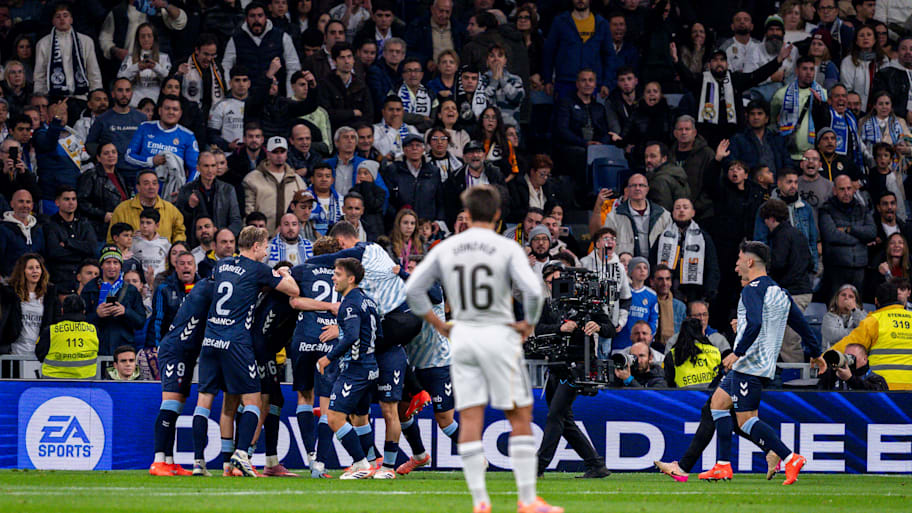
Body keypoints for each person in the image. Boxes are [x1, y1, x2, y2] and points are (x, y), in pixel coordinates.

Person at [405, 185, 561, 513]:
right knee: (519, 415)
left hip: (464, 337)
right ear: (497, 214)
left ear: (467, 213)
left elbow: (414, 289)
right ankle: (527, 500)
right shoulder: (506, 247)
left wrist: (438, 323)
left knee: (471, 417)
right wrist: (528, 324)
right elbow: (534, 293)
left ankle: (480, 501)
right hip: (499, 335)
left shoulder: (448, 248)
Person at [700, 241, 823, 484]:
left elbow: (755, 323)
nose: (736, 266)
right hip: (760, 364)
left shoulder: (751, 290)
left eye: (738, 260)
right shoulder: (780, 292)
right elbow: (800, 324)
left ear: (749, 261)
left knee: (746, 421)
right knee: (718, 403)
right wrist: (815, 352)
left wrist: (737, 352)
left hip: (750, 364)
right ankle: (722, 465)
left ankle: (790, 457)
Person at [193, 226, 299, 476]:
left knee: (204, 402)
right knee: (253, 400)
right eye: (265, 247)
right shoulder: (258, 269)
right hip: (236, 342)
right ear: (255, 246)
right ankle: (241, 454)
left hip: (211, 340)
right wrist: (283, 272)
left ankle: (199, 463)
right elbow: (293, 291)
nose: (267, 252)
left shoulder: (221, 265)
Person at [534, 262, 614, 479]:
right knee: (564, 420)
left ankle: (538, 466)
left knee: (555, 415)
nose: (554, 286)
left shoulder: (587, 303)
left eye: (557, 280)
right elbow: (538, 330)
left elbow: (610, 328)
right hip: (555, 366)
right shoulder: (549, 305)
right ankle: (596, 465)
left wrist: (598, 326)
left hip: (578, 366)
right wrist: (559, 328)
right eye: (549, 282)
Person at [314, 257, 383, 479]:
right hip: (369, 367)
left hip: (355, 369)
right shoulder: (369, 302)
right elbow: (379, 336)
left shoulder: (349, 304)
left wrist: (328, 358)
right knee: (360, 417)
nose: (333, 278)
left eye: (338, 274)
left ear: (351, 279)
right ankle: (371, 463)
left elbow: (352, 336)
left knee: (334, 417)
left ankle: (361, 464)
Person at [671, 41, 793, 148]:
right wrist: (676, 61)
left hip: (733, 137)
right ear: (709, 65)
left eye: (722, 60)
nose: (719, 63)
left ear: (727, 64)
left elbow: (757, 75)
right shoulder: (701, 80)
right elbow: (687, 77)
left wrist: (778, 60)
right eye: (715, 60)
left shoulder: (735, 79)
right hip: (706, 138)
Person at [149, 278, 213, 476]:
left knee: (176, 408)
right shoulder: (208, 288)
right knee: (170, 405)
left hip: (186, 353)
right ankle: (158, 460)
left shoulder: (205, 286)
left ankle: (169, 461)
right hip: (175, 350)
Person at [760, 199, 814, 362]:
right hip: (803, 290)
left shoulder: (781, 236)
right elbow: (811, 262)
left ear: (771, 218)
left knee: (788, 341)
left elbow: (778, 263)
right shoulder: (798, 234)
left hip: (793, 293)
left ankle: (796, 376)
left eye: (765, 220)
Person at [830, 282, 912, 390]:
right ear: (898, 298)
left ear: (876, 301)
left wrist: (822, 358)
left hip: (883, 389)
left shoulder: (873, 321)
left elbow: (847, 346)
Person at [222, 1, 301, 97]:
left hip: (274, 95)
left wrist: (290, 95)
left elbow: (293, 67)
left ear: (266, 17)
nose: (256, 20)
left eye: (260, 15)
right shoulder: (236, 39)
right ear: (246, 19)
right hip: (246, 97)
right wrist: (229, 91)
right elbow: (226, 66)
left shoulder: (282, 37)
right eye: (252, 16)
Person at [33, 3, 103, 108]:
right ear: (53, 21)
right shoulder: (43, 43)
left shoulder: (86, 41)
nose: (62, 19)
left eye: (65, 15)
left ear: (71, 19)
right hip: (54, 98)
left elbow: (93, 72)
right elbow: (39, 75)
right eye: (58, 16)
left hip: (81, 97)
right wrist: (41, 100)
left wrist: (96, 95)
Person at [541, 0, 614, 100]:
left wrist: (607, 83)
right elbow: (549, 52)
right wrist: (547, 79)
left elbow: (609, 56)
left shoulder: (602, 23)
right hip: (565, 82)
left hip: (592, 83)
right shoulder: (560, 21)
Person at [651, 197, 719, 303]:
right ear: (673, 213)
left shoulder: (703, 238)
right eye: (677, 208)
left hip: (695, 292)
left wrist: (708, 292)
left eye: (685, 208)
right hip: (667, 290)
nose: (681, 210)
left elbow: (712, 266)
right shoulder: (663, 237)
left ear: (693, 213)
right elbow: (652, 262)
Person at [753, 168, 819, 277]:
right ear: (779, 183)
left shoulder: (805, 208)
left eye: (796, 182)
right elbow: (760, 241)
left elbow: (812, 240)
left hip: (803, 269)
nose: (793, 186)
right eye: (789, 182)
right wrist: (766, 269)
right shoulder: (767, 208)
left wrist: (814, 267)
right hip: (778, 270)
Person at [819, 174, 877, 299]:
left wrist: (849, 230)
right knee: (836, 305)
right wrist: (860, 240)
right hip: (836, 268)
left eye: (849, 188)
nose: (846, 193)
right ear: (835, 190)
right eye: (842, 189)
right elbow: (831, 235)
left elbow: (872, 232)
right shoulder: (826, 209)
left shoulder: (862, 209)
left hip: (860, 267)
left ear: (853, 189)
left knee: (857, 305)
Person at [81, 246, 146, 355]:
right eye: (108, 262)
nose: (112, 266)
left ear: (121, 266)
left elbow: (141, 322)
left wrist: (125, 312)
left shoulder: (131, 290)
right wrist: (97, 315)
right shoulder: (90, 288)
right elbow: (80, 321)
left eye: (115, 262)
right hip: (96, 348)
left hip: (123, 349)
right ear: (101, 265)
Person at [85, 79, 147, 190]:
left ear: (131, 93)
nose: (124, 94)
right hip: (113, 174)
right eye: (120, 90)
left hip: (138, 172)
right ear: (113, 94)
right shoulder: (102, 119)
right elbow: (90, 144)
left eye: (127, 90)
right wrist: (104, 159)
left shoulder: (142, 118)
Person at [595, 173, 673, 258]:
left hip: (657, 265)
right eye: (633, 185)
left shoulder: (663, 215)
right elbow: (607, 246)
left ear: (647, 189)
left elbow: (671, 244)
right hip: (625, 264)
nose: (637, 188)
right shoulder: (613, 216)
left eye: (641, 185)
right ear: (628, 190)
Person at [125, 95, 200, 182]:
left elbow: (196, 168)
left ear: (180, 113)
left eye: (175, 109)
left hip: (172, 188)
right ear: (160, 111)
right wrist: (151, 161)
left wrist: (187, 188)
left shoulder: (188, 135)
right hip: (144, 186)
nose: (171, 112)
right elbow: (128, 156)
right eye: (167, 108)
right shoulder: (145, 127)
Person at [243, 136, 307, 233]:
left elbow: (303, 211)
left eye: (282, 152)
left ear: (286, 154)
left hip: (290, 236)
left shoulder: (297, 180)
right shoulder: (252, 179)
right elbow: (249, 213)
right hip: (262, 235)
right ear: (268, 154)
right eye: (275, 152)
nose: (279, 155)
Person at [772, 56, 829, 162]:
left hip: (814, 155)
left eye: (811, 69)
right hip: (788, 154)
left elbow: (826, 123)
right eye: (804, 69)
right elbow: (772, 119)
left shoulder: (823, 94)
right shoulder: (781, 94)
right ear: (797, 71)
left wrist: (821, 106)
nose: (809, 73)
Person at [1, 254, 57, 360]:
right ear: (22, 271)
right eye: (30, 268)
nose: (35, 271)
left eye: (38, 267)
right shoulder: (10, 293)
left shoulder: (50, 294)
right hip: (15, 351)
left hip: (40, 353)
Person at [44, 186, 97, 287]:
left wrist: (68, 243)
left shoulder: (84, 223)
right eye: (66, 199)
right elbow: (54, 253)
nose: (71, 202)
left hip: (83, 279)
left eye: (74, 199)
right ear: (57, 202)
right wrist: (81, 251)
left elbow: (92, 248)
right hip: (60, 278)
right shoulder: (50, 225)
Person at [385, 134, 445, 222]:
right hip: (401, 223)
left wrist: (438, 221)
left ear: (423, 149)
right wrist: (397, 219)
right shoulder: (393, 170)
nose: (414, 148)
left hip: (426, 223)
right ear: (404, 150)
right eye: (410, 145)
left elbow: (440, 200)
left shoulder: (433, 171)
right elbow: (387, 199)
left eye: (418, 145)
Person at [33, 294, 95, 379]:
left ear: (62, 311)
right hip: (85, 383)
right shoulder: (93, 331)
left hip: (53, 382)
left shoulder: (50, 331)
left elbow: (39, 354)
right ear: (84, 311)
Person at [318, 42, 374, 134]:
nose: (347, 61)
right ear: (334, 61)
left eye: (349, 57)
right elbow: (326, 114)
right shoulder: (325, 84)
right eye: (342, 58)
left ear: (354, 59)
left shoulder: (361, 84)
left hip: (357, 132)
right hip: (335, 132)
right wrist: (353, 113)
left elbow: (368, 114)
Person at [664, 317, 722, 389]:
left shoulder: (673, 354)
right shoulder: (715, 351)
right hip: (712, 394)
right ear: (702, 332)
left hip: (683, 395)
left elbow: (669, 383)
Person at [0, 189, 44, 277]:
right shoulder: (3, 229)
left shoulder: (38, 229)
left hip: (35, 280)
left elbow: (43, 257)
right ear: (12, 204)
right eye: (21, 201)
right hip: (10, 280)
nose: (25, 205)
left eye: (28, 202)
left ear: (32, 206)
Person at [871, 37, 912, 127]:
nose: (908, 52)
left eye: (911, 49)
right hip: (894, 124)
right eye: (904, 49)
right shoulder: (885, 74)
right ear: (897, 52)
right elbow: (880, 102)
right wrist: (905, 113)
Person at [373, 95, 419, 162]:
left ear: (402, 112)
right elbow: (383, 151)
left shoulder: (411, 129)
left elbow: (420, 151)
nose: (395, 113)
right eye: (391, 110)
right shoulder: (375, 129)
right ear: (383, 112)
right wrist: (394, 128)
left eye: (398, 110)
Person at [822, 284, 868, 350]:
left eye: (851, 296)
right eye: (843, 295)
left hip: (855, 353)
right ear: (837, 298)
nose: (846, 298)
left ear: (855, 301)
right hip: (833, 352)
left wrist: (854, 310)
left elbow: (866, 330)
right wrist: (857, 332)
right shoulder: (828, 316)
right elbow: (833, 336)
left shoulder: (861, 313)